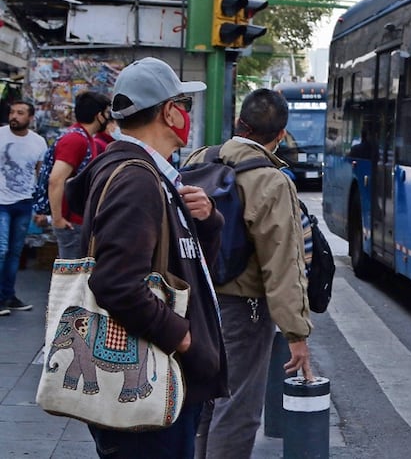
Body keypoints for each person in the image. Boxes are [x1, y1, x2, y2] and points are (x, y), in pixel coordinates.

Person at [64, 57, 226, 458]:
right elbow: (115, 282)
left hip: (160, 387)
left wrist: (206, 222)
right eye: (184, 104)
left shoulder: (155, 176)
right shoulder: (137, 180)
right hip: (150, 389)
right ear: (169, 111)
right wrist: (183, 337)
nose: (187, 114)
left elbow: (181, 265)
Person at [190, 89, 313, 459]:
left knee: (200, 402)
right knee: (237, 405)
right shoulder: (273, 181)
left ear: (239, 122)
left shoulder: (201, 159)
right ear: (281, 133)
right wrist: (296, 333)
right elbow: (283, 263)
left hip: (195, 301)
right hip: (243, 309)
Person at [37, 91, 110, 258]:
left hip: (77, 220)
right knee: (70, 279)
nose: (108, 117)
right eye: (106, 113)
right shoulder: (76, 140)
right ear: (99, 115)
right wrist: (58, 220)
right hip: (71, 222)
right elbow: (56, 180)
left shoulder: (83, 137)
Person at [0, 100, 48, 314]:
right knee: (1, 250)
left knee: (15, 252)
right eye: (12, 112)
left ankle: (8, 296)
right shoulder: (1, 135)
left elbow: (41, 175)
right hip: (1, 202)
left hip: (24, 202)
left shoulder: (38, 143)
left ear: (30, 118)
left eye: (20, 113)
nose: (14, 116)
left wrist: (40, 206)